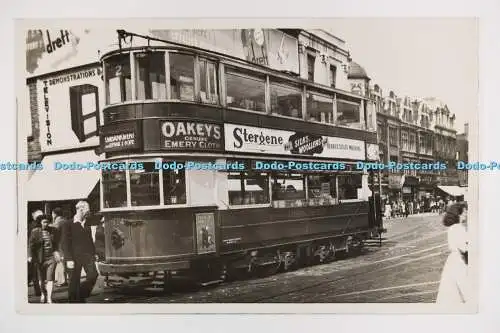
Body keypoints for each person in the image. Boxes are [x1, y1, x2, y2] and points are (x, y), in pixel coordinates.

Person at [60, 201, 99, 303]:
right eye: (87, 210)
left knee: (93, 275)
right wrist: (68, 259)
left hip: (87, 256)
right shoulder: (68, 224)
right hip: (73, 258)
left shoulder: (86, 223)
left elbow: (89, 240)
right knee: (74, 281)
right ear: (81, 209)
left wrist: (94, 253)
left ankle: (81, 294)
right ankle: (74, 302)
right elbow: (65, 243)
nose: (89, 212)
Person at [436, 202, 468, 304]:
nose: (466, 214)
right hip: (459, 262)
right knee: (464, 288)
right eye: (464, 212)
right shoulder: (458, 228)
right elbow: (464, 248)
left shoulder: (453, 228)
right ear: (458, 214)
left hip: (453, 261)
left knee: (452, 290)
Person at [28, 215, 61, 303]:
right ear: (40, 223)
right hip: (39, 259)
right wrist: (30, 256)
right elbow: (30, 245)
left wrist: (58, 253)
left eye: (47, 222)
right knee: (41, 280)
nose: (46, 224)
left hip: (51, 258)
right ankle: (43, 294)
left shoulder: (53, 230)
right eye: (44, 222)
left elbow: (57, 243)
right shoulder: (35, 232)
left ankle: (49, 298)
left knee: (50, 279)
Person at [28, 210, 44, 297]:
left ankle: (39, 291)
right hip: (34, 253)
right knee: (34, 272)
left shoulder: (42, 224)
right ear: (34, 217)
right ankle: (38, 291)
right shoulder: (32, 226)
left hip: (40, 252)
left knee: (36, 273)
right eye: (39, 216)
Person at [51, 208, 68, 287]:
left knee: (60, 263)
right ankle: (64, 280)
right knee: (63, 262)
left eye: (52, 213)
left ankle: (61, 281)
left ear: (55, 214)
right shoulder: (66, 220)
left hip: (60, 244)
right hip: (66, 244)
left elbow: (54, 233)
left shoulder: (58, 222)